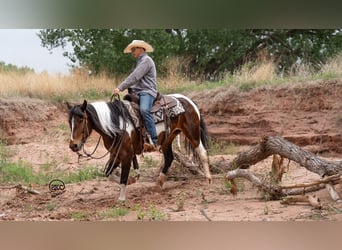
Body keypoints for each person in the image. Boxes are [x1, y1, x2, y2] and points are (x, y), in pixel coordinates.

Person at [113, 40, 158, 151]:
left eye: (134, 49)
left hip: (147, 91)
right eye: (131, 49)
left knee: (144, 110)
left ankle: (154, 140)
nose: (132, 51)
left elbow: (135, 77)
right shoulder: (140, 61)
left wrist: (120, 88)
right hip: (137, 92)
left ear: (141, 49)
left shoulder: (146, 60)